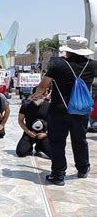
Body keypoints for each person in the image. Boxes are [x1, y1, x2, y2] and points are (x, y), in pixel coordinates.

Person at [31, 37, 97, 185]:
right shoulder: (92, 65)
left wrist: (35, 95)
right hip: (81, 110)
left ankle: (58, 174)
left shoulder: (58, 64)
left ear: (69, 50)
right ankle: (83, 168)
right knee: (80, 140)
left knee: (57, 142)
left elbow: (44, 85)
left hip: (59, 110)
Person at [16, 87, 51, 159]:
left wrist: (46, 134)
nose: (39, 97)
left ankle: (40, 146)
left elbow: (54, 123)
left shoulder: (49, 106)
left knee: (53, 154)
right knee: (20, 152)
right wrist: (28, 132)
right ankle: (29, 147)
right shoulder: (26, 105)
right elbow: (20, 120)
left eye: (42, 95)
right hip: (29, 134)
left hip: (43, 135)